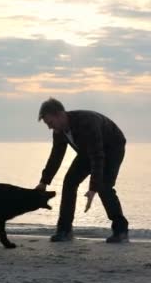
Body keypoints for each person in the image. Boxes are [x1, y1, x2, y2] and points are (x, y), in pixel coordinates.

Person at [35, 97, 129, 243]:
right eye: (48, 124)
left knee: (104, 187)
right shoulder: (58, 131)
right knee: (69, 182)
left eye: (50, 123)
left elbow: (98, 157)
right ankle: (64, 230)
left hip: (112, 148)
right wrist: (44, 182)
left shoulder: (87, 122)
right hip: (87, 151)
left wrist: (93, 188)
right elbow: (56, 156)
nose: (49, 127)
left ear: (60, 115)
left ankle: (121, 230)